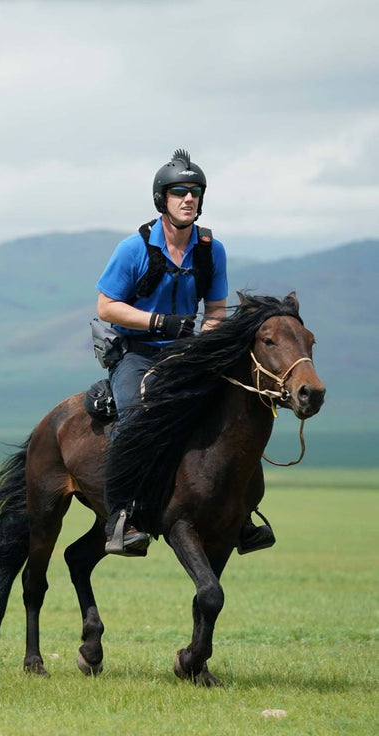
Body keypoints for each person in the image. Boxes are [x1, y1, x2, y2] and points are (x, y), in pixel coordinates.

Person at [95, 149, 275, 557]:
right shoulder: (133, 248)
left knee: (233, 412)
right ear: (163, 199)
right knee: (134, 420)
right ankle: (122, 519)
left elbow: (214, 311)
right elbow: (106, 306)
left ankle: (242, 515)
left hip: (187, 354)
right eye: (180, 192)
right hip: (136, 353)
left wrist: (205, 341)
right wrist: (159, 322)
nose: (189, 199)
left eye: (195, 192)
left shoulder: (212, 250)